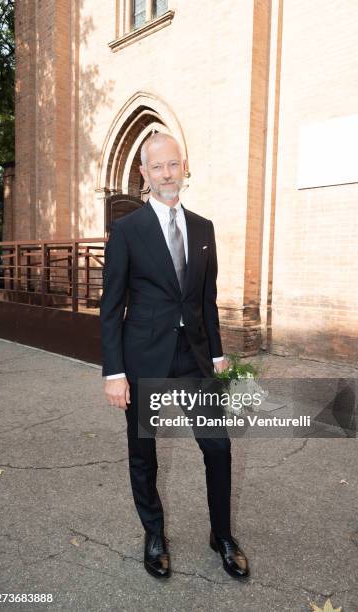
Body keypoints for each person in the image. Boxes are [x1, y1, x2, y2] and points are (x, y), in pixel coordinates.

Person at [100, 132, 249, 580]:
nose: (167, 174)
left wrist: (219, 354)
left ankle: (221, 535)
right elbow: (111, 306)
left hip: (194, 359)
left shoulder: (203, 228)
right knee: (143, 453)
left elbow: (207, 299)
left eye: (173, 165)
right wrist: (114, 372)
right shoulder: (128, 230)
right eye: (157, 167)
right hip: (143, 357)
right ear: (144, 174)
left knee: (218, 448)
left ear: (184, 167)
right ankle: (154, 535)